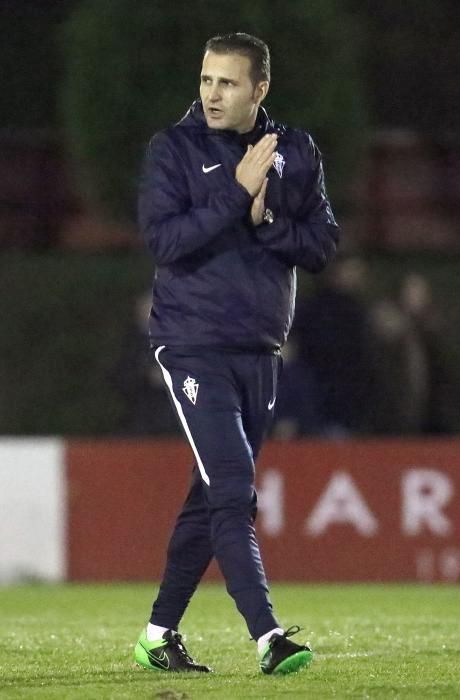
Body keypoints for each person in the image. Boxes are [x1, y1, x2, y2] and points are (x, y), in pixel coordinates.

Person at [135, 32, 340, 675]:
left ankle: (157, 636)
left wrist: (266, 222)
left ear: (260, 89)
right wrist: (233, 196)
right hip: (193, 346)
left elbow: (323, 245)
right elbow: (164, 241)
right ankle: (269, 636)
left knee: (211, 496)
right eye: (205, 80)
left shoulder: (295, 150)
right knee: (233, 489)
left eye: (227, 82)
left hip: (260, 351)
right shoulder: (173, 149)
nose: (212, 94)